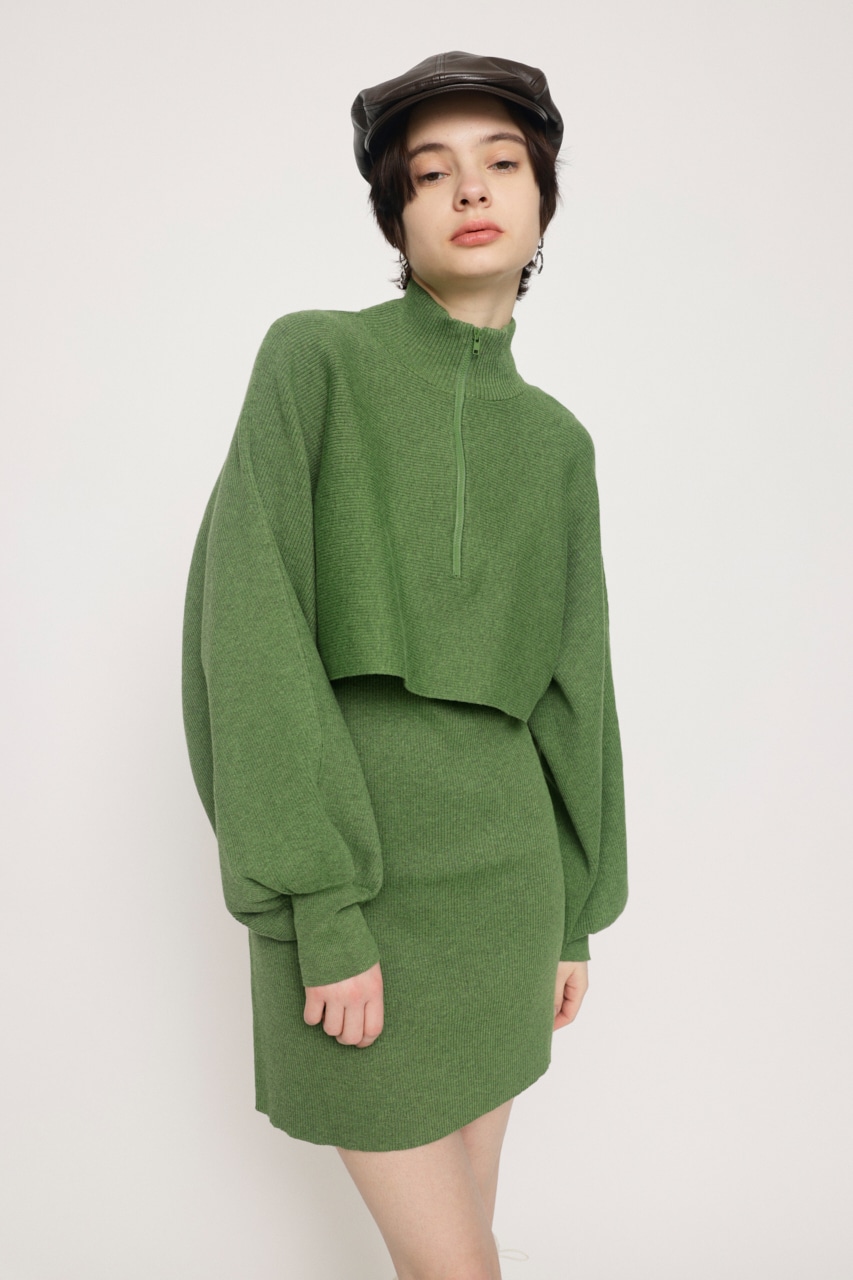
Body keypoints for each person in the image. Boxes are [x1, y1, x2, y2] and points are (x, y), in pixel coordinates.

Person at [182, 50, 628, 1280]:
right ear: (395, 214)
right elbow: (248, 632)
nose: (469, 191)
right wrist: (320, 907)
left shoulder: (559, 444)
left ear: (540, 198)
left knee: (458, 1253)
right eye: (430, 174)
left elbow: (578, 685)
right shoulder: (312, 360)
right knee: (456, 1265)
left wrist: (577, 911)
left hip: (507, 891)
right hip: (360, 884)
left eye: (501, 164)